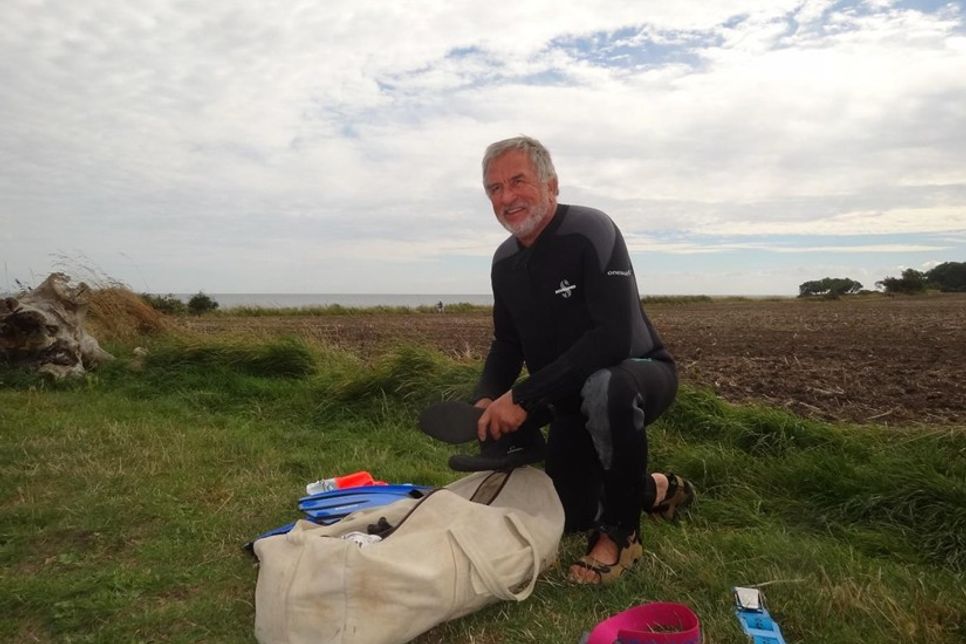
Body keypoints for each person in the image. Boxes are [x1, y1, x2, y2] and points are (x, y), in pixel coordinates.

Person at [470, 135, 693, 585]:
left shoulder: (590, 231)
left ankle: (621, 534)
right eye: (494, 188)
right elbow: (507, 343)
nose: (506, 197)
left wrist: (526, 396)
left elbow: (611, 339)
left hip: (637, 372)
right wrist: (487, 396)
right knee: (569, 514)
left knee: (605, 386)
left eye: (518, 182)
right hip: (567, 391)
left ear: (551, 185)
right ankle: (656, 489)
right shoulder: (504, 262)